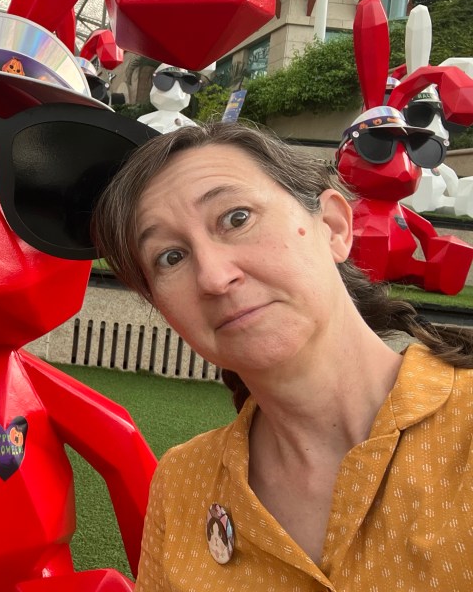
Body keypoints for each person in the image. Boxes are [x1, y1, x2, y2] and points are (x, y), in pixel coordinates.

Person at [92, 122, 473, 591]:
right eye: (170, 257)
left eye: (236, 219)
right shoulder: (181, 482)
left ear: (333, 226)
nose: (214, 277)